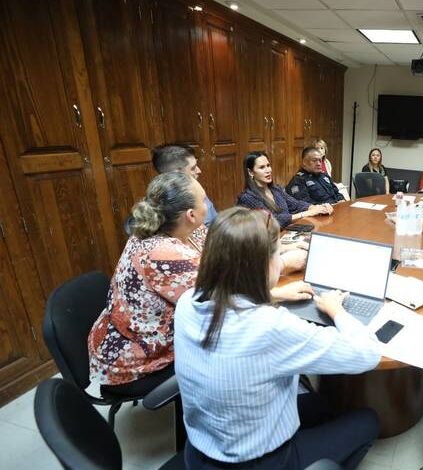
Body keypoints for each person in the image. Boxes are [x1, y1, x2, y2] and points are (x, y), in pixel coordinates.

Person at [174, 207, 381, 469]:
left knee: (323, 406)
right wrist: (336, 310)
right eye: (278, 254)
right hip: (259, 462)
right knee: (367, 420)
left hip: (200, 451)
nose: (280, 262)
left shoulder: (187, 301)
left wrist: (276, 294)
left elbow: (230, 298)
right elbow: (367, 353)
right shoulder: (270, 326)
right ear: (263, 265)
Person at [88, 172, 208, 397]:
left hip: (133, 336)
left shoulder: (173, 228)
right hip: (132, 360)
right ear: (191, 214)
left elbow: (217, 245)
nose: (207, 205)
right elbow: (219, 297)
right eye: (203, 200)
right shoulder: (164, 253)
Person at [236, 151, 333, 228]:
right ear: (250, 172)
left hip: (285, 234)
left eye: (268, 166)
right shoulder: (247, 198)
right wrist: (307, 213)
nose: (268, 170)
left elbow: (296, 204)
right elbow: (273, 221)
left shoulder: (276, 189)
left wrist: (316, 207)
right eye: (262, 167)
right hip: (266, 243)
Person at [152, 143, 217, 226]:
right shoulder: (169, 211)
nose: (199, 171)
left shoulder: (194, 190)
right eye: (193, 168)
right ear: (176, 174)